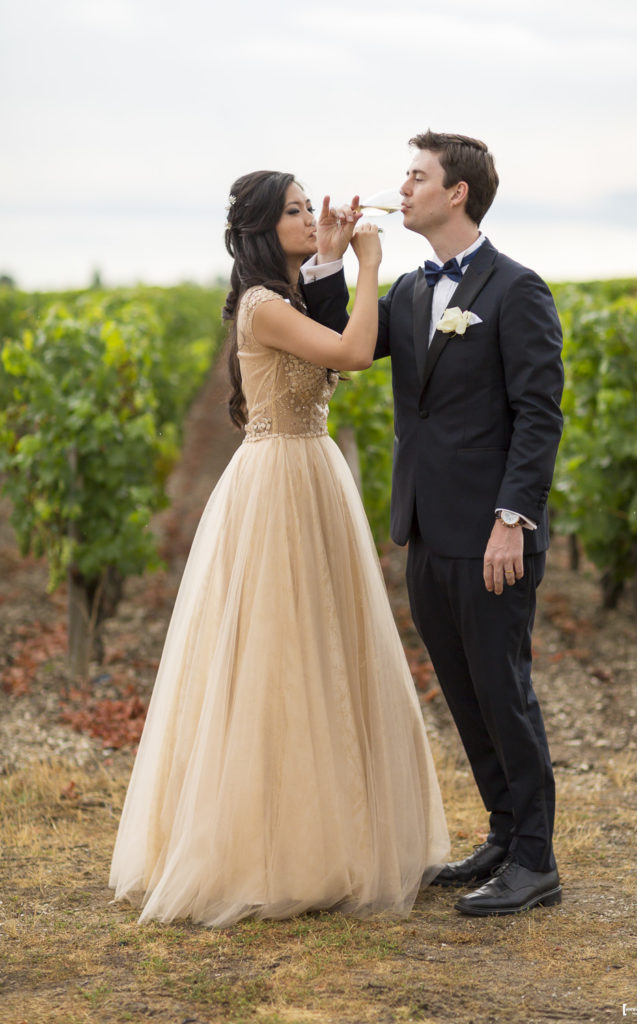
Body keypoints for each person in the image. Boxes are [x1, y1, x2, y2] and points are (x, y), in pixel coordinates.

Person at [109, 169, 450, 926]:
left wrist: (330, 258)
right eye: (295, 210)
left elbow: (330, 353)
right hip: (279, 483)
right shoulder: (264, 306)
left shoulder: (288, 295)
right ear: (264, 228)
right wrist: (366, 265)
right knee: (275, 654)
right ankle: (262, 849)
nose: (310, 215)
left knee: (321, 649)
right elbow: (354, 353)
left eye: (308, 207)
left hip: (311, 470)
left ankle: (321, 838)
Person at [301, 132, 564, 917]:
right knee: (462, 689)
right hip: (423, 527)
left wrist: (511, 520)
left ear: (457, 193)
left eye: (416, 176)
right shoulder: (412, 293)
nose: (401, 187)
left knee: (502, 688)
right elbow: (344, 349)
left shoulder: (516, 290)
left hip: (492, 535)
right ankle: (502, 832)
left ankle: (535, 861)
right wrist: (329, 261)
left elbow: (538, 415)